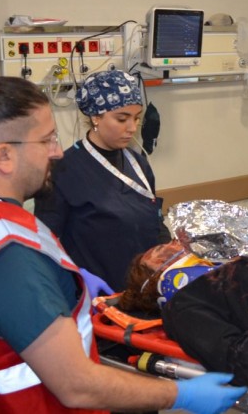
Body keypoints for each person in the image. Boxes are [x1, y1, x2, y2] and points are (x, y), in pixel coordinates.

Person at [0, 76, 245, 414]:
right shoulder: (8, 253)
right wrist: (179, 394)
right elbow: (77, 385)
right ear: (4, 155)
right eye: (47, 140)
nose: (57, 151)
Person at [35, 70, 169, 293]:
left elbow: (154, 219)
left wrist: (168, 252)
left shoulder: (139, 164)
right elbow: (46, 240)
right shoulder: (64, 170)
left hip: (144, 289)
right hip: (99, 292)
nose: (132, 128)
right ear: (96, 117)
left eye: (137, 118)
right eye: (122, 119)